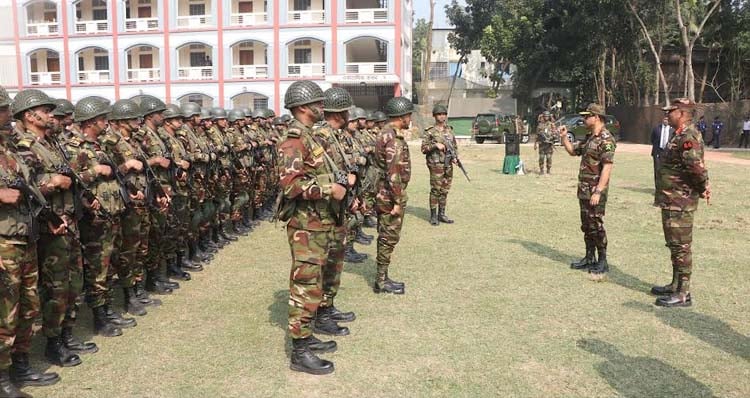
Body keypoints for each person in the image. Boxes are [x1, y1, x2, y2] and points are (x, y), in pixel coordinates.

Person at [277, 80, 343, 375]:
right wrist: (330, 190)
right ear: (303, 107)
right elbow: (290, 187)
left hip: (319, 223)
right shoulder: (293, 141)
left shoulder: (310, 137)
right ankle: (299, 352)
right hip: (305, 226)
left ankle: (307, 335)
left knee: (314, 282)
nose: (322, 108)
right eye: (317, 104)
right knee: (304, 284)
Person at [0, 87, 60, 397]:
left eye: (6, 109)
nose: (7, 115)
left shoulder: (10, 147)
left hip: (25, 237)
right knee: (5, 312)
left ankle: (20, 364)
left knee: (27, 306)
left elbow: (33, 187)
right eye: (2, 110)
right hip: (3, 244)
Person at [651, 98, 711, 307]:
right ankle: (675, 284)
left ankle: (684, 293)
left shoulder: (688, 135)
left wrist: (703, 187)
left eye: (672, 111)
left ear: (684, 113)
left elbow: (695, 166)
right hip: (671, 200)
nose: (667, 114)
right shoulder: (678, 134)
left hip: (681, 201)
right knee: (674, 245)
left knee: (681, 247)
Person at [558, 103, 616, 279]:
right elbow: (573, 151)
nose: (584, 119)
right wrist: (564, 138)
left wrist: (598, 191)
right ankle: (589, 257)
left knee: (596, 225)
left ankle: (602, 261)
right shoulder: (591, 137)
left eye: (587, 116)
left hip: (594, 191)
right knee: (586, 225)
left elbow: (607, 167)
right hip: (584, 189)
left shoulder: (606, 139)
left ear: (596, 117)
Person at [372, 97, 413, 294]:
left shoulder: (384, 133)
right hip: (389, 196)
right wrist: (397, 200)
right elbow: (393, 172)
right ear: (402, 116)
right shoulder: (393, 138)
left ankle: (383, 276)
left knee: (386, 236)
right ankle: (381, 280)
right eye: (409, 115)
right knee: (388, 237)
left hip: (384, 193)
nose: (410, 118)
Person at [421, 104, 457, 225]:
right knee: (436, 189)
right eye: (439, 114)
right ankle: (433, 216)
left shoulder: (449, 130)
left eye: (444, 114)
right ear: (434, 116)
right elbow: (424, 148)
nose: (442, 116)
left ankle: (441, 214)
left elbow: (454, 146)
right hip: (436, 165)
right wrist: (435, 145)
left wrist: (455, 157)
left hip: (448, 165)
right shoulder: (430, 131)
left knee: (445, 190)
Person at [650, 117, 673, 194]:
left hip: (668, 153)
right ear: (662, 120)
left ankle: (666, 189)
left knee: (667, 171)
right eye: (664, 119)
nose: (665, 121)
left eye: (667, 119)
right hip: (658, 151)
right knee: (657, 170)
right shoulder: (656, 128)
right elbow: (652, 139)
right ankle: (658, 189)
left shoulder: (672, 130)